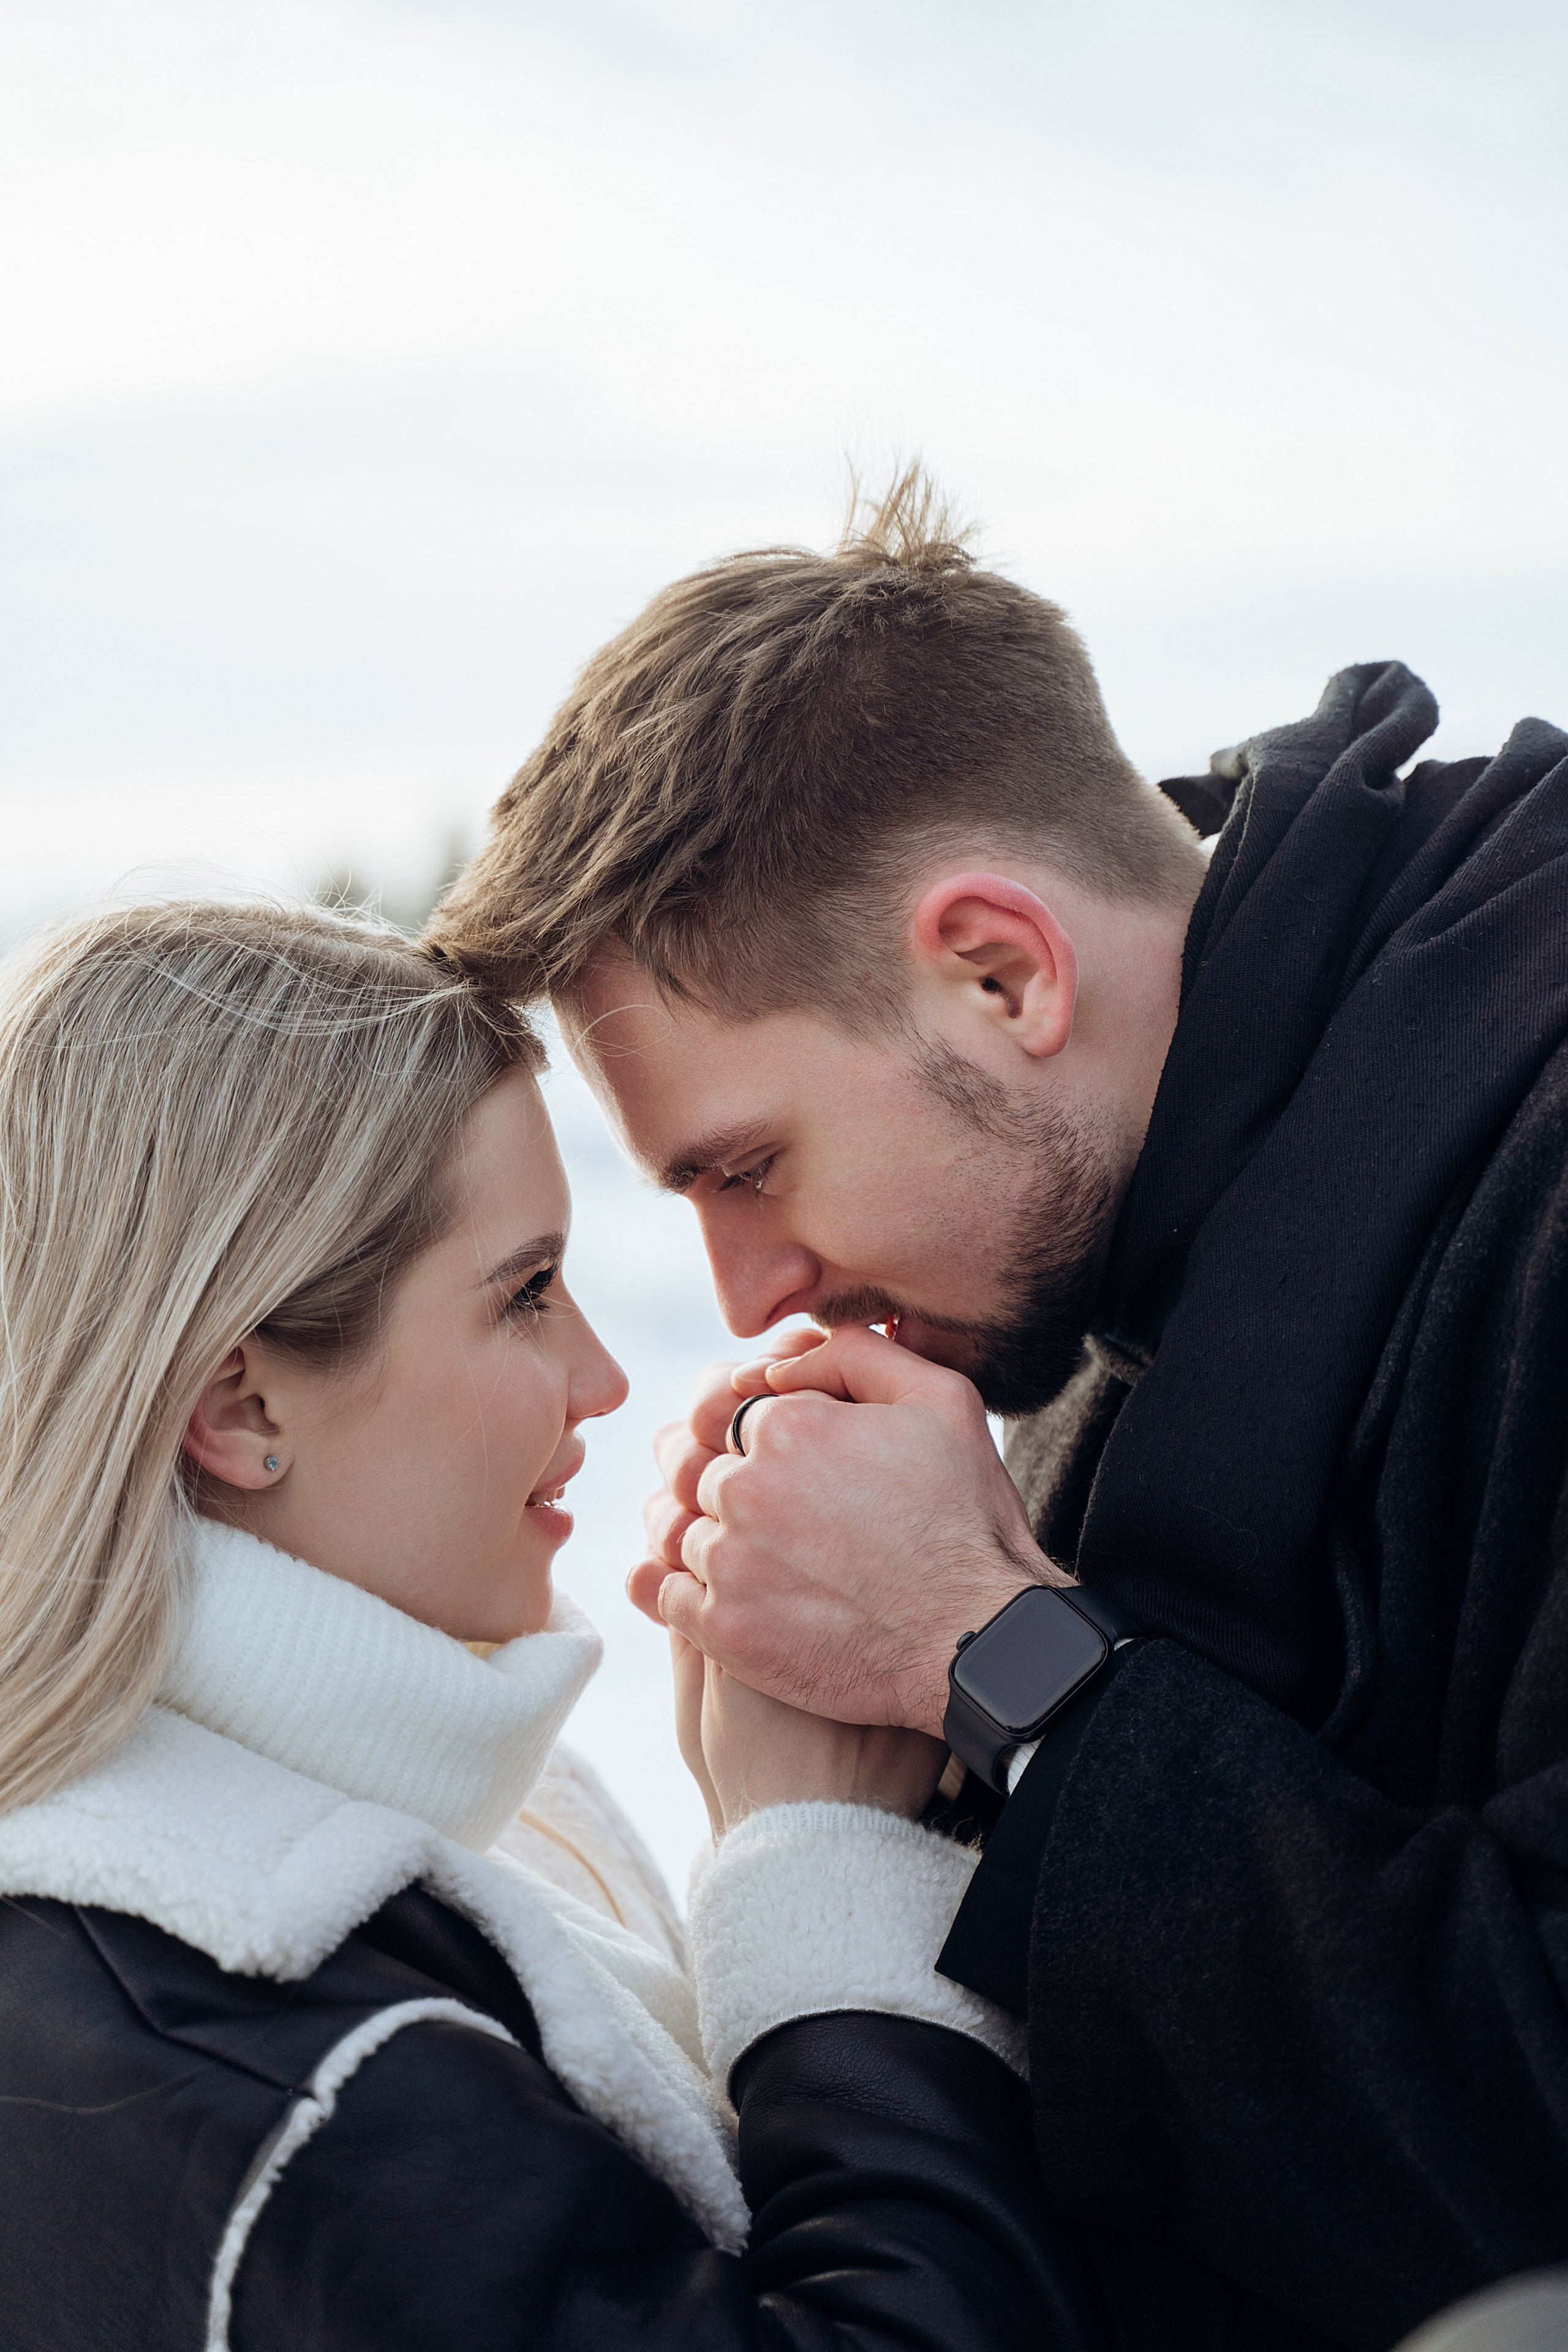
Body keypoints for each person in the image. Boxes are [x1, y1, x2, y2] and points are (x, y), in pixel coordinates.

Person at [429, 470, 1568, 2351]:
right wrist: (833, 1801)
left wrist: (999, 1657)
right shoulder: (1097, 1272)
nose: (743, 1298)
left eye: (751, 1168)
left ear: (1001, 970)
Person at [0, 897, 1090, 2352]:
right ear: (241, 1405)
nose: (597, 1376)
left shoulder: (444, 1842)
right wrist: (813, 1867)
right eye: (521, 1295)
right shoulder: (248, 2057)